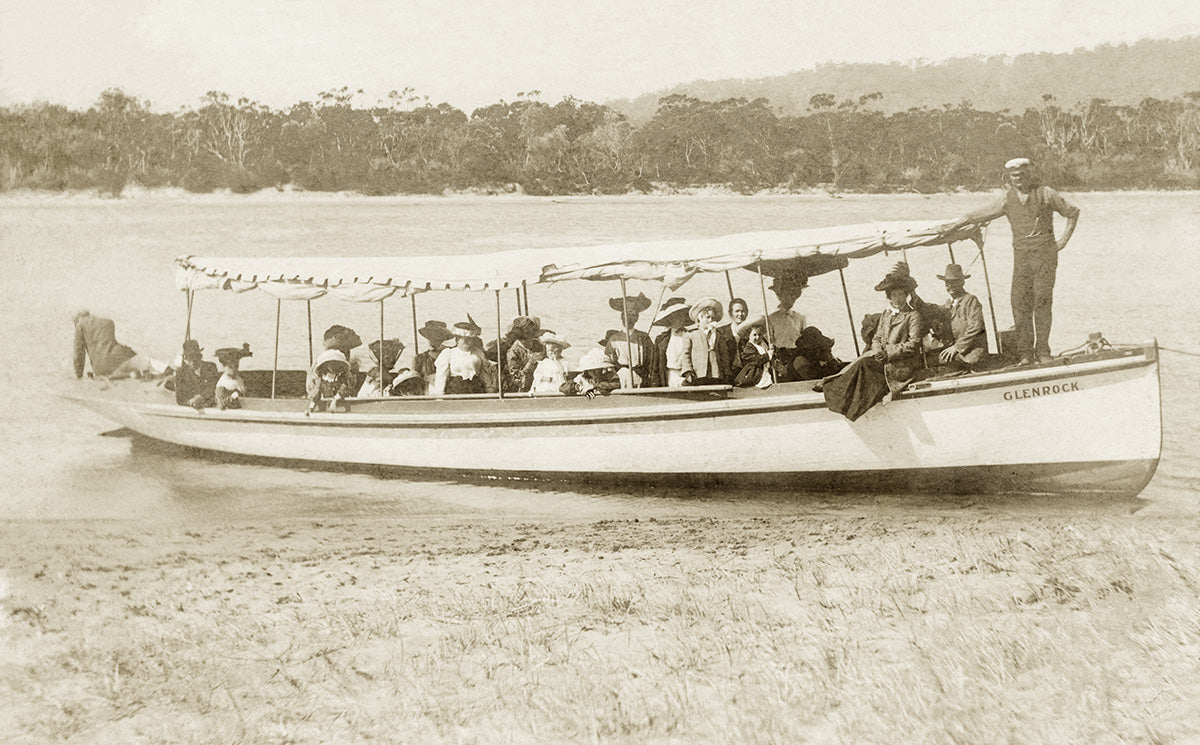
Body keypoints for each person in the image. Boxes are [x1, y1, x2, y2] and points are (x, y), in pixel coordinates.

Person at [952, 157, 1080, 364]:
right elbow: (980, 214)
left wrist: (1063, 240)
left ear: (1029, 173)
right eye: (1014, 176)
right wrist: (955, 224)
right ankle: (1025, 354)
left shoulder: (1046, 193)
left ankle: (1043, 351)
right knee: (1019, 302)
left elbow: (1073, 212)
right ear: (1009, 178)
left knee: (1042, 302)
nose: (1018, 179)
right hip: (1021, 257)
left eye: (1022, 174)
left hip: (1045, 256)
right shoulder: (1006, 199)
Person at [821, 269, 925, 421]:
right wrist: (877, 351)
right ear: (889, 297)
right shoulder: (887, 314)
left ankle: (851, 407)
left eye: (901, 295)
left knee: (864, 365)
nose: (898, 299)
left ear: (906, 295)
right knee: (859, 364)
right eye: (894, 295)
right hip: (882, 358)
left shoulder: (913, 315)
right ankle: (839, 396)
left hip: (902, 363)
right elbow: (877, 337)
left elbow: (913, 344)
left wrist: (888, 353)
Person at [72, 309, 165, 379]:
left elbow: (78, 355)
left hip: (101, 368)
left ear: (77, 319)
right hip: (120, 357)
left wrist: (79, 376)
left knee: (110, 373)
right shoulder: (107, 321)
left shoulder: (80, 325)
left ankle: (130, 375)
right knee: (144, 361)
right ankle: (165, 369)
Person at [929, 263, 988, 372]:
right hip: (956, 352)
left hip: (971, 353)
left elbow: (975, 327)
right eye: (947, 283)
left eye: (954, 282)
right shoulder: (948, 305)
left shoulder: (970, 300)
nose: (949, 286)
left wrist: (956, 347)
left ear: (962, 282)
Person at [681, 297, 739, 385]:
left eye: (712, 318)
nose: (710, 320)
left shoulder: (718, 335)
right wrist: (688, 371)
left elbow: (724, 354)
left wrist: (727, 372)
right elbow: (686, 354)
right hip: (698, 373)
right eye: (707, 317)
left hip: (715, 373)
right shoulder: (691, 334)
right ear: (699, 318)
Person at [604, 292, 655, 388]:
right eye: (626, 314)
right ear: (621, 317)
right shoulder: (614, 339)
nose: (629, 318)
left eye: (633, 315)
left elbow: (651, 360)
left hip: (640, 376)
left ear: (637, 318)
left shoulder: (643, 337)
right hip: (622, 376)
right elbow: (608, 361)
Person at [432, 318, 488, 395]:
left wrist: (490, 389)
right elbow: (441, 375)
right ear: (458, 339)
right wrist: (439, 395)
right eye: (464, 339)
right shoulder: (449, 353)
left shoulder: (478, 353)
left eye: (470, 339)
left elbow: (485, 374)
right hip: (456, 389)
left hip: (476, 388)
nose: (468, 342)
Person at [490, 316, 543, 393]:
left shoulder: (538, 345)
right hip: (523, 392)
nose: (530, 341)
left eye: (531, 336)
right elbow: (518, 380)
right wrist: (531, 362)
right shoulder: (513, 352)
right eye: (527, 338)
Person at [648, 298, 693, 388]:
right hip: (668, 376)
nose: (679, 319)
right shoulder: (661, 340)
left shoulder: (692, 336)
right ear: (670, 318)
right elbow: (655, 367)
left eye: (682, 315)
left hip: (686, 377)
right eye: (676, 316)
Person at [172, 339, 219, 409]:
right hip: (191, 409)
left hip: (211, 408)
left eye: (195, 357)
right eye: (189, 358)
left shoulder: (210, 367)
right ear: (185, 359)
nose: (193, 362)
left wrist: (201, 397)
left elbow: (213, 387)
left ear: (200, 356)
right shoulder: (181, 373)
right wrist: (191, 402)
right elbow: (180, 399)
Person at [733, 316, 777, 388]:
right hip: (756, 374)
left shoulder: (764, 344)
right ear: (748, 335)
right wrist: (768, 355)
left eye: (760, 335)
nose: (757, 337)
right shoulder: (749, 347)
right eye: (754, 335)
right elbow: (755, 360)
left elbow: (772, 354)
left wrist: (772, 350)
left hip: (766, 371)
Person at [307, 348, 353, 413]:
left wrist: (335, 399)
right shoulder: (322, 377)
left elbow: (344, 388)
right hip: (325, 396)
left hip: (339, 398)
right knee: (317, 394)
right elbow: (317, 390)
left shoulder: (342, 376)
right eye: (331, 364)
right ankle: (313, 409)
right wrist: (311, 405)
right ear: (325, 365)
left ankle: (345, 410)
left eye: (336, 364)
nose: (334, 366)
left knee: (343, 395)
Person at [413, 321, 453, 392]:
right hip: (427, 392)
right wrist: (427, 378)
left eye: (437, 336)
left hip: (449, 391)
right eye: (430, 336)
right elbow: (415, 379)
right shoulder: (420, 358)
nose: (432, 339)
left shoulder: (451, 354)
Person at [214, 344, 253, 410]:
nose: (234, 369)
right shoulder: (221, 384)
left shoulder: (239, 380)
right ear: (223, 367)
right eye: (230, 367)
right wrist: (233, 396)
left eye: (236, 366)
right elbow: (220, 405)